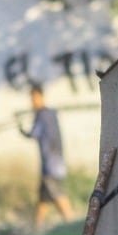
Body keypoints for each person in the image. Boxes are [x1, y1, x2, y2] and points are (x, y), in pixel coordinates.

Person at [19, 82, 75, 227]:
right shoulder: (50, 114)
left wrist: (21, 129)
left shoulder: (42, 115)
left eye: (33, 98)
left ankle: (71, 222)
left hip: (51, 165)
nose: (32, 102)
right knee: (43, 199)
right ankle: (37, 227)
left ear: (40, 97)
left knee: (58, 195)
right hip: (53, 163)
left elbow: (34, 133)